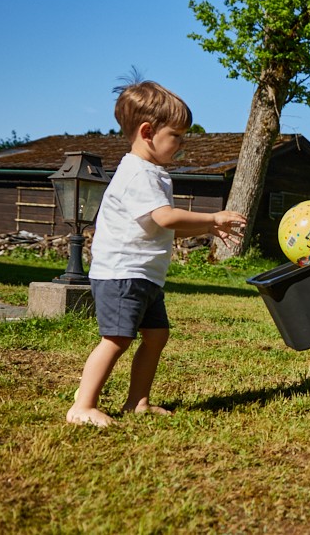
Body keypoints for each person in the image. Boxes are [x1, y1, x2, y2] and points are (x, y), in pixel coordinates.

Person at [67, 80, 247, 427]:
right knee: (117, 338)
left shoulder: (154, 174)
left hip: (144, 275)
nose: (181, 144)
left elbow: (166, 225)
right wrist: (212, 216)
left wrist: (208, 228)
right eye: (177, 136)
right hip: (123, 273)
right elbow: (164, 217)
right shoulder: (137, 173)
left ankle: (138, 401)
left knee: (156, 335)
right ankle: (83, 405)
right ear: (148, 132)